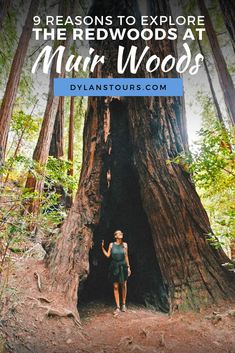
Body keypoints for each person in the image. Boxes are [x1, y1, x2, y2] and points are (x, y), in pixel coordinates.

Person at [101, 230, 131, 315]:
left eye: (121, 233)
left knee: (124, 285)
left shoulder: (125, 245)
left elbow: (126, 256)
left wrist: (128, 267)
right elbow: (108, 255)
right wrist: (102, 248)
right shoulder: (111, 244)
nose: (121, 234)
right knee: (115, 286)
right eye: (119, 233)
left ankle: (124, 304)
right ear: (115, 236)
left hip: (123, 265)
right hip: (114, 266)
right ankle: (118, 306)